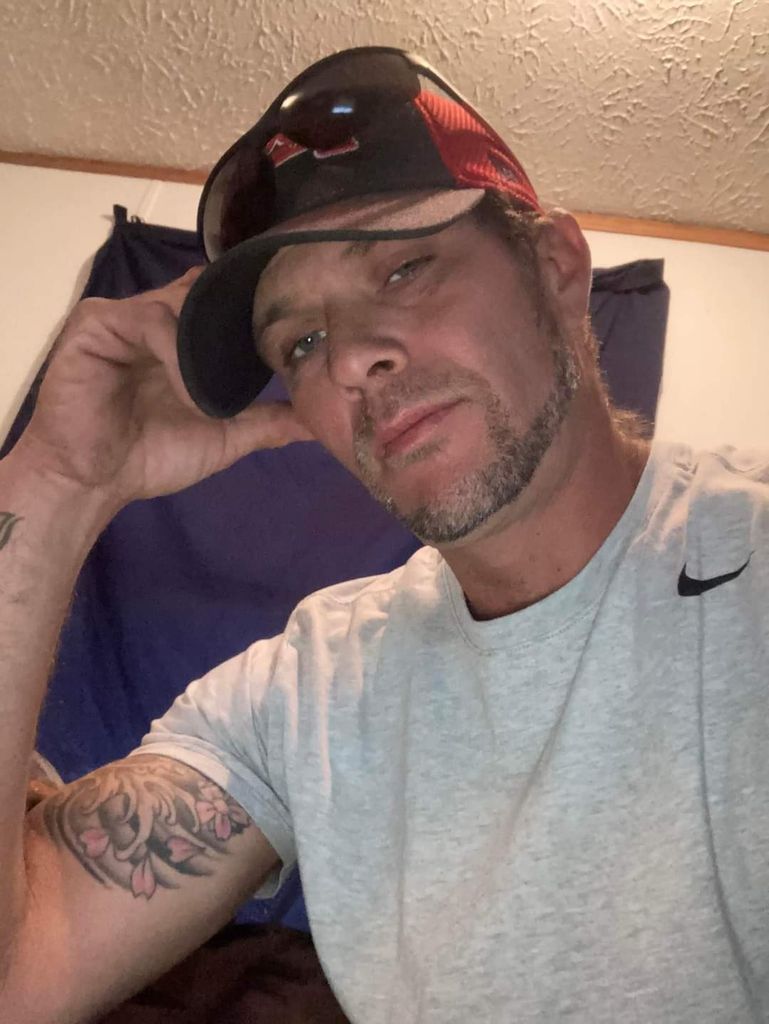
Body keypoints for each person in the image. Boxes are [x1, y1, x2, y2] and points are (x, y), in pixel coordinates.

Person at [0, 45, 767, 1024]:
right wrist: (55, 482)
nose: (353, 357)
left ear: (556, 268)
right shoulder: (305, 691)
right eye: (303, 341)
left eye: (404, 268)